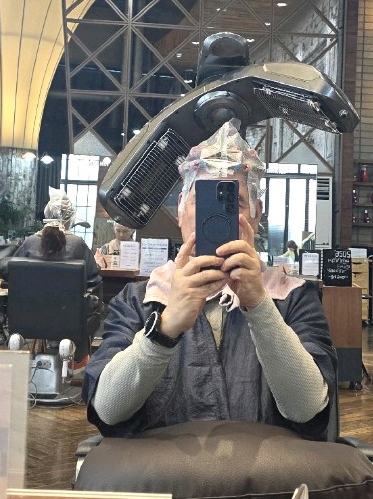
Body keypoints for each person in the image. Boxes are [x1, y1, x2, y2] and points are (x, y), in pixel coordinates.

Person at [83, 122, 336, 439]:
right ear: (181, 210)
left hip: (267, 471)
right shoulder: (140, 300)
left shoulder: (294, 297)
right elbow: (107, 410)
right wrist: (165, 327)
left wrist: (260, 306)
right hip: (162, 471)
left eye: (234, 202)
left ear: (257, 213)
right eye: (202, 201)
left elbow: (308, 409)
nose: (215, 216)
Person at [17, 193, 102, 364]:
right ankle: (78, 357)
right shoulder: (77, 244)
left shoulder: (30, 242)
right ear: (70, 219)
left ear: (46, 216)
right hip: (69, 315)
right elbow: (93, 277)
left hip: (31, 313)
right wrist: (98, 263)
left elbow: (12, 270)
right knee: (95, 300)